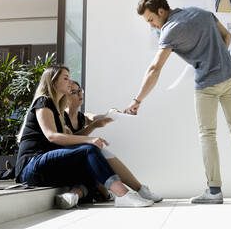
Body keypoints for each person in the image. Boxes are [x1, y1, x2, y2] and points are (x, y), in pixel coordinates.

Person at [124, 0, 231, 204]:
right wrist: (216, 59)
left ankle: (214, 191)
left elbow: (155, 68)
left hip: (206, 85)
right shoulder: (202, 13)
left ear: (160, 11)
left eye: (151, 20)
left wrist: (137, 100)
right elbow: (227, 37)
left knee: (207, 134)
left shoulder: (169, 30)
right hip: (230, 77)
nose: (152, 26)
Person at [15, 65, 153, 209]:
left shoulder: (58, 110)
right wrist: (89, 140)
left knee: (92, 166)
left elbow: (80, 130)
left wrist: (113, 115)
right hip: (31, 166)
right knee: (89, 149)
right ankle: (123, 195)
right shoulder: (44, 101)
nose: (70, 81)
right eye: (65, 78)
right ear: (53, 81)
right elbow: (52, 136)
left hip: (46, 166)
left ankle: (72, 196)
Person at [65, 81, 162, 203]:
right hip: (71, 162)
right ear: (65, 96)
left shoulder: (82, 116)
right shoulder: (61, 117)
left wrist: (112, 113)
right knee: (101, 151)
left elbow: (99, 118)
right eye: (74, 92)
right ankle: (137, 190)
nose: (79, 94)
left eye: (80, 90)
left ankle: (138, 190)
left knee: (101, 151)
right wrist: (93, 126)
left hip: (85, 159)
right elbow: (70, 140)